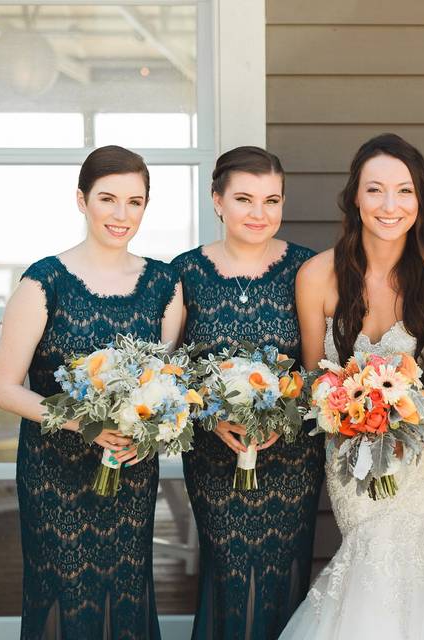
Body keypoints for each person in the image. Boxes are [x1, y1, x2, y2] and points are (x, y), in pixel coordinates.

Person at [281, 134, 424, 639]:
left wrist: (403, 424)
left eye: (403, 191)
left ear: (419, 201)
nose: (389, 205)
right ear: (354, 197)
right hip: (352, 453)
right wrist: (356, 424)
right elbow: (315, 380)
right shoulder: (316, 276)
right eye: (375, 190)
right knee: (373, 565)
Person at [0, 145, 183, 639]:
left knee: (126, 590)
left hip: (131, 474)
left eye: (135, 202)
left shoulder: (164, 284)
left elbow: (162, 385)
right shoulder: (44, 282)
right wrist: (89, 423)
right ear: (81, 200)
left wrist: (148, 426)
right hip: (54, 474)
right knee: (64, 591)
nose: (122, 215)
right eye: (108, 199)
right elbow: (4, 388)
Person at [172, 146, 323, 639]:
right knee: (228, 573)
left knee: (283, 573)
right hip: (215, 454)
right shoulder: (185, 272)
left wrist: (287, 413)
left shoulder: (307, 269)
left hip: (291, 457)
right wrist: (210, 415)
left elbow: (320, 366)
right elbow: (170, 369)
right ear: (217, 201)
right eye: (244, 199)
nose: (260, 214)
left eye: (271, 200)